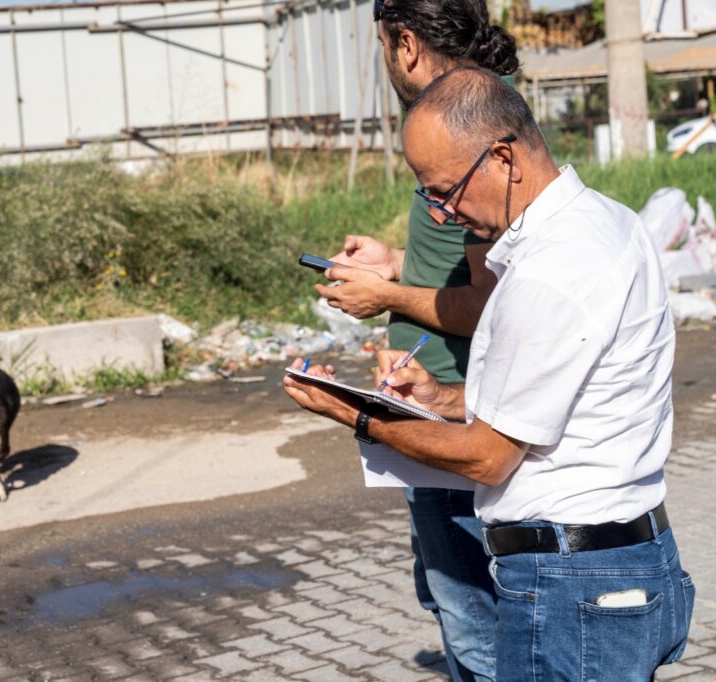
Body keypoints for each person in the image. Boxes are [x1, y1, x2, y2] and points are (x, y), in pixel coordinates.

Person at [286, 66, 694, 681]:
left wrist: (360, 416)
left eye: (447, 189)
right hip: (622, 565)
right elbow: (551, 401)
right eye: (429, 195)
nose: (443, 215)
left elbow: (487, 459)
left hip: (573, 587)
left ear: (504, 157)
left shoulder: (548, 271)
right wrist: (440, 397)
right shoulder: (608, 221)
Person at [318, 2, 519, 679]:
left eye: (381, 44)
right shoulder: (470, 119)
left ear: (405, 42)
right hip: (432, 406)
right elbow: (467, 264)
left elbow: (490, 303)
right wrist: (396, 262)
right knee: (452, 601)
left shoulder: (465, 131)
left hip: (455, 414)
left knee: (474, 620)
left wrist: (386, 298)